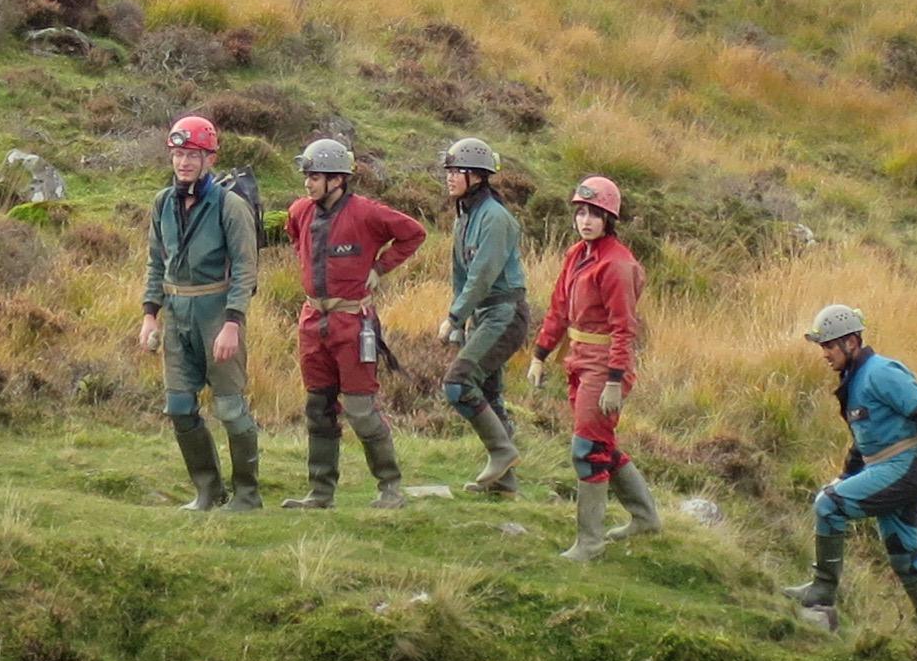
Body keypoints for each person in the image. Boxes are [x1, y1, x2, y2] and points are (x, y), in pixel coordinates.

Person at [787, 305, 917, 629]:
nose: (824, 354)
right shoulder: (855, 379)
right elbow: (863, 440)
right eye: (823, 347)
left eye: (829, 346)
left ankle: (822, 590)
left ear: (850, 342)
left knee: (828, 505)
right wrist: (846, 476)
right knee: (903, 554)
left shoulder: (881, 372)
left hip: (903, 468)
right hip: (889, 468)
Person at [281, 136, 425, 510]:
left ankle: (390, 487)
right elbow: (294, 235)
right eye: (307, 176)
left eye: (315, 177)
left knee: (361, 410)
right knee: (318, 408)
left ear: (337, 179)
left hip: (352, 323)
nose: (307, 183)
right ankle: (320, 493)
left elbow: (413, 233)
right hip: (313, 322)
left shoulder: (367, 213)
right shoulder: (300, 211)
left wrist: (380, 267)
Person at [531, 174, 661, 560]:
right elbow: (558, 308)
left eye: (594, 214)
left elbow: (625, 328)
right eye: (581, 213)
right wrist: (540, 354)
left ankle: (590, 542)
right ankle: (646, 518)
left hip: (604, 366)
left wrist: (614, 380)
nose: (585, 221)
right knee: (600, 443)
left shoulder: (617, 265)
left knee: (587, 449)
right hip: (578, 357)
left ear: (609, 219)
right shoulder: (577, 254)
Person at [139, 113, 264, 512]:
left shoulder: (231, 206)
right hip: (176, 315)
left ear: (210, 158)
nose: (184, 162)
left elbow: (245, 269)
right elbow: (155, 262)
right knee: (179, 406)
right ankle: (208, 491)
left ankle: (247, 494)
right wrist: (150, 314)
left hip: (217, 312)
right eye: (178, 154)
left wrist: (233, 323)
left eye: (193, 154)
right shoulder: (162, 202)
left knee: (230, 408)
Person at [434, 137, 531, 496]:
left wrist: (453, 317)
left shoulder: (495, 218)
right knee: (489, 394)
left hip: (505, 314)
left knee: (458, 383)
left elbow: (483, 275)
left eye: (456, 171)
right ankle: (504, 485)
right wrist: (461, 324)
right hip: (484, 315)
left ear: (476, 175)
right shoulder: (464, 217)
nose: (449, 177)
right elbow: (460, 275)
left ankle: (502, 452)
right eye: (448, 170)